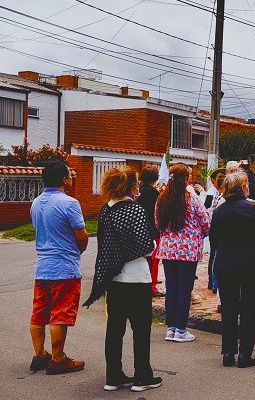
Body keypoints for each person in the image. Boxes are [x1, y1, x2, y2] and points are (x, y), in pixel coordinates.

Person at [84, 166, 161, 391]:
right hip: (137, 278)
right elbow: (146, 246)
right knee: (141, 329)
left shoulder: (106, 210)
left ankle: (114, 376)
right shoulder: (134, 210)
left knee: (115, 328)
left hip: (114, 278)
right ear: (131, 186)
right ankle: (142, 377)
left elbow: (107, 246)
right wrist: (154, 244)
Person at [29, 161, 89, 375]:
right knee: (60, 313)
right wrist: (78, 250)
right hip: (64, 267)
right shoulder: (70, 203)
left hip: (42, 265)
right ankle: (58, 358)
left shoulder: (36, 203)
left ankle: (39, 355)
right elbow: (81, 236)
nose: (71, 178)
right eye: (70, 175)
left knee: (39, 312)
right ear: (64, 179)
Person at [210, 172, 255, 368]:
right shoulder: (252, 208)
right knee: (249, 307)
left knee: (228, 307)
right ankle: (245, 354)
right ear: (243, 187)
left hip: (226, 261)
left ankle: (228, 352)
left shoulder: (219, 211)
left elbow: (213, 239)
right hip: (250, 262)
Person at [155, 164, 211, 343]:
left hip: (168, 250)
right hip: (188, 251)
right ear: (185, 179)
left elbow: (158, 224)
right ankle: (181, 329)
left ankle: (170, 328)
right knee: (184, 290)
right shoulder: (192, 200)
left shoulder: (161, 199)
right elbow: (206, 223)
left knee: (171, 289)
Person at [136, 165, 162, 297]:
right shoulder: (155, 193)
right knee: (154, 259)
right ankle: (152, 286)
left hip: (141, 229)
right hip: (152, 229)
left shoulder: (140, 191)